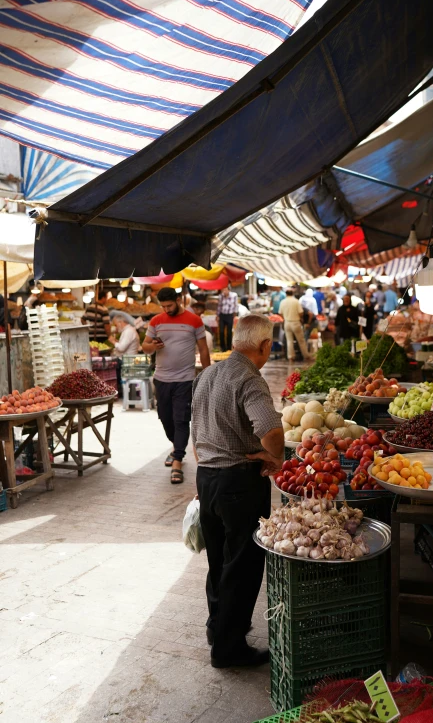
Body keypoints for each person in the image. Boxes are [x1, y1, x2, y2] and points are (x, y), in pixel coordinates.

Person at [192, 315, 284, 668]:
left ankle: (218, 629)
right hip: (238, 483)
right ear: (264, 346)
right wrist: (274, 456)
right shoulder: (249, 378)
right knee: (242, 567)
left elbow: (195, 428)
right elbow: (271, 431)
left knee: (219, 563)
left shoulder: (208, 374)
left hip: (208, 479)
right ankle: (228, 648)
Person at [142, 287, 211, 484]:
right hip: (161, 379)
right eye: (163, 306)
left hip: (185, 379)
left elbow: (203, 349)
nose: (166, 309)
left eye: (169, 305)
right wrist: (152, 346)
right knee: (166, 419)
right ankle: (176, 447)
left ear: (179, 300)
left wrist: (207, 376)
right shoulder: (156, 321)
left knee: (181, 419)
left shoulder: (194, 320)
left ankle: (177, 460)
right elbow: (145, 346)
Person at [279, 289, 309, 361]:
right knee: (301, 340)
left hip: (287, 323)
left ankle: (291, 357)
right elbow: (301, 312)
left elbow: (280, 313)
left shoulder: (283, 302)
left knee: (289, 341)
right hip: (295, 322)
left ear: (286, 294)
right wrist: (300, 317)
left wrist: (285, 317)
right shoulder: (296, 301)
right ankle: (306, 356)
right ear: (293, 293)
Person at [216, 285, 238, 352]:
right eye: (223, 290)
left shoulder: (234, 295)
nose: (224, 291)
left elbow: (235, 306)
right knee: (221, 332)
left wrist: (235, 316)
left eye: (225, 290)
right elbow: (219, 306)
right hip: (222, 315)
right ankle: (223, 347)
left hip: (230, 315)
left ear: (229, 290)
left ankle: (228, 348)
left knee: (229, 332)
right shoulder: (221, 296)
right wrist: (217, 315)